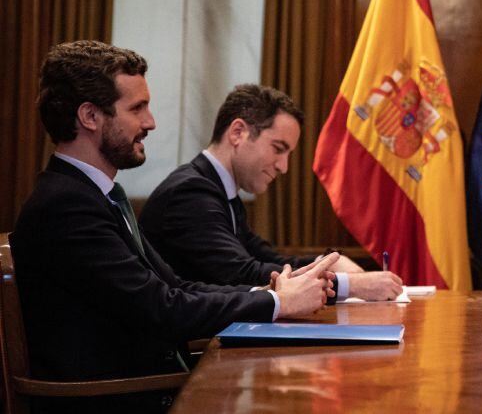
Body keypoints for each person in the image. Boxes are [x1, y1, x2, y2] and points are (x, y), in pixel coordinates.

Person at [12, 41, 336, 411]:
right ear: (90, 116)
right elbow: (164, 309)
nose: (151, 122)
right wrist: (276, 302)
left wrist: (268, 290)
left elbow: (176, 287)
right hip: (118, 400)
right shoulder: (66, 204)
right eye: (137, 108)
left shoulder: (98, 195)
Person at [140, 84, 403, 301]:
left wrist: (328, 262)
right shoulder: (190, 193)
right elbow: (241, 273)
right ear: (238, 132)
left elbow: (266, 257)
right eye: (278, 148)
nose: (284, 167)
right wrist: (345, 285)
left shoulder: (221, 189)